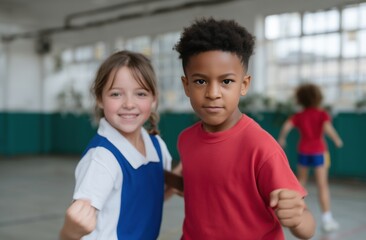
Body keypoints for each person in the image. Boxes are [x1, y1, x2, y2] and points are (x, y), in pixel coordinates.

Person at [171, 17, 315, 239]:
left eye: (226, 81)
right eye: (200, 81)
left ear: (244, 85)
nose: (213, 93)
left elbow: (307, 227)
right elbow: (207, 188)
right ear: (186, 85)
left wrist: (297, 218)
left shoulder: (262, 148)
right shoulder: (186, 139)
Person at [59, 50, 172, 240]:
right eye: (116, 94)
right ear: (99, 98)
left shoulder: (157, 146)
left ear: (154, 99)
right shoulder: (102, 159)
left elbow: (153, 197)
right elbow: (78, 229)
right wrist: (68, 232)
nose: (129, 103)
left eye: (141, 93)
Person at [278, 83, 343, 232]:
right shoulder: (322, 114)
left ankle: (297, 214)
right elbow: (328, 129)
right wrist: (337, 139)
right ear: (318, 97)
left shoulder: (299, 116)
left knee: (300, 183)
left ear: (300, 99)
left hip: (304, 152)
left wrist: (282, 138)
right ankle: (327, 219)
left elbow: (287, 126)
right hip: (319, 153)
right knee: (322, 185)